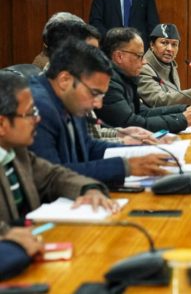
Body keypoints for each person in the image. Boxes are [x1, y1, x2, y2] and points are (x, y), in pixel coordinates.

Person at [0, 72, 119, 278]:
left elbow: (54, 176)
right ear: (2, 124)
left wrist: (88, 189)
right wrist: (7, 235)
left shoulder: (17, 152)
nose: (37, 119)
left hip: (34, 256)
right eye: (30, 114)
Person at [28, 41, 171, 185]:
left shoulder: (70, 98)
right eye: (94, 93)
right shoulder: (37, 107)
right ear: (65, 80)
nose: (98, 104)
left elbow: (87, 147)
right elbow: (54, 177)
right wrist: (125, 167)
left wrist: (139, 152)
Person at [96, 28, 191, 132]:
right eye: (139, 56)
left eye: (174, 44)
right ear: (119, 56)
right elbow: (131, 124)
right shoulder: (108, 83)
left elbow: (143, 112)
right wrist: (181, 120)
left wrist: (185, 109)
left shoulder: (125, 77)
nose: (144, 61)